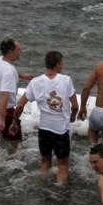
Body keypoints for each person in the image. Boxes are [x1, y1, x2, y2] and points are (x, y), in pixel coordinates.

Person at [11, 51, 78, 183]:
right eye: (62, 62)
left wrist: (14, 121)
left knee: (45, 162)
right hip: (60, 130)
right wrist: (72, 116)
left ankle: (40, 186)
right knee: (63, 166)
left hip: (44, 129)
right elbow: (75, 105)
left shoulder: (35, 82)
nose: (63, 65)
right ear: (58, 64)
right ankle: (60, 191)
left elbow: (19, 106)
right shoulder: (66, 80)